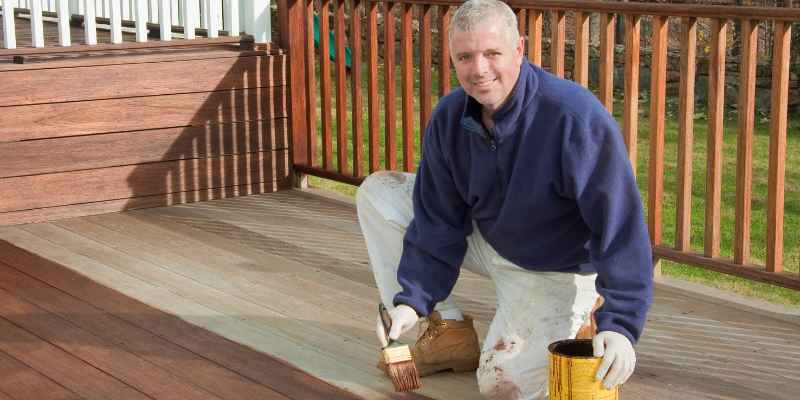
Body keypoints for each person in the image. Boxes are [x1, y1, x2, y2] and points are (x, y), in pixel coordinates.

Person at [356, 0, 653, 398]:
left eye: (491, 53)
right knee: (379, 192)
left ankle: (582, 315)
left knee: (502, 387)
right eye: (464, 56)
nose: (478, 69)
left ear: (519, 49)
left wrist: (621, 327)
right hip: (490, 236)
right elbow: (437, 219)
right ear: (452, 57)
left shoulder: (573, 118)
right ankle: (445, 327)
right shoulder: (449, 118)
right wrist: (411, 302)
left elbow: (621, 230)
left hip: (554, 267)